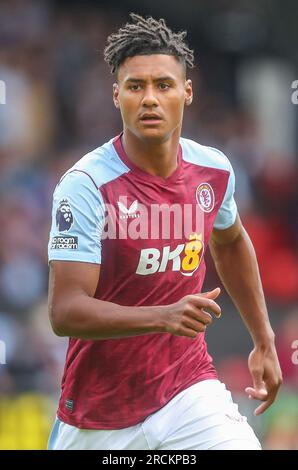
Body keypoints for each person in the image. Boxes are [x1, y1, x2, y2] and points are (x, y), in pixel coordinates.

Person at [47, 13, 282, 450]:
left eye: (164, 85)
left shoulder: (213, 170)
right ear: (117, 95)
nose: (150, 98)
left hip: (187, 390)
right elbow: (64, 312)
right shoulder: (85, 185)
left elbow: (230, 242)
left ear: (187, 92)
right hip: (100, 415)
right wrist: (162, 316)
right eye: (135, 86)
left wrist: (263, 339)